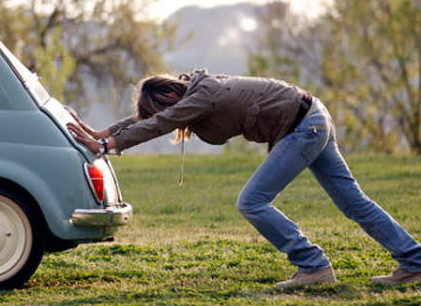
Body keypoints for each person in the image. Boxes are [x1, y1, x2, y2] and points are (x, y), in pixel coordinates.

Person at [66, 69, 421, 289]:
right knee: (353, 202)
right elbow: (149, 120)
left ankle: (313, 265)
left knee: (252, 202)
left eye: (166, 108)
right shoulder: (194, 92)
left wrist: (108, 144)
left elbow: (159, 123)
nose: (172, 119)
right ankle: (414, 262)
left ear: (172, 95)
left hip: (304, 126)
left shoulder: (203, 95)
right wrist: (102, 133)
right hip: (312, 117)